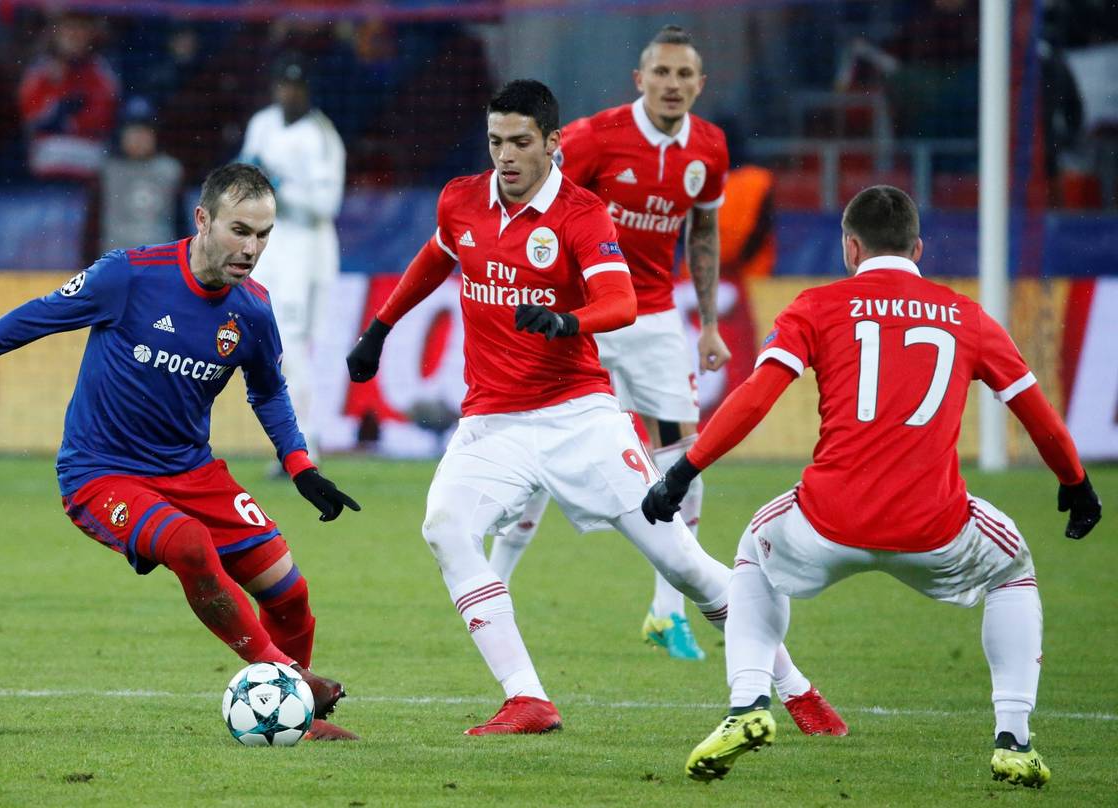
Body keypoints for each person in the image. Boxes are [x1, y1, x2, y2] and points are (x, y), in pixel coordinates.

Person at [345, 79, 844, 736]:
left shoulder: (581, 214)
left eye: (521, 141)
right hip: (492, 422)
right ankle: (527, 699)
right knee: (444, 526)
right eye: (496, 141)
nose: (506, 156)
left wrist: (566, 321)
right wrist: (380, 328)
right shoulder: (461, 199)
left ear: (553, 142)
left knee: (683, 564)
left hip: (578, 418)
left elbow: (621, 301)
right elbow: (437, 255)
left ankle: (798, 689)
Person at [0, 164, 363, 741]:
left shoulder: (252, 309)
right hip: (101, 474)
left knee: (289, 592)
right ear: (203, 220)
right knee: (189, 544)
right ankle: (291, 680)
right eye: (239, 231)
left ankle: (296, 718)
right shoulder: (129, 275)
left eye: (262, 235)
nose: (251, 249)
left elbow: (269, 390)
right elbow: (36, 317)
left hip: (191, 470)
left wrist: (300, 466)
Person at [642, 185, 1102, 786]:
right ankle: (1013, 739)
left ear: (850, 248)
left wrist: (683, 471)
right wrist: (1075, 481)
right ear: (917, 248)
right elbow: (1036, 412)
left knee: (754, 550)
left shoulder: (816, 306)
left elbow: (755, 398)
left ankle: (748, 704)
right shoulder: (966, 315)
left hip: (827, 521)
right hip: (934, 527)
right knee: (1013, 567)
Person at [487, 25, 731, 663]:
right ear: (640, 79)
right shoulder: (595, 138)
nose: (672, 85)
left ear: (700, 85)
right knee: (543, 442)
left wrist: (708, 322)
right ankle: (493, 587)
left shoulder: (709, 148)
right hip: (582, 314)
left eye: (684, 75)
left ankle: (667, 611)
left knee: (684, 458)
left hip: (654, 318)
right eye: (662, 73)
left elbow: (703, 232)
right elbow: (537, 201)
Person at [238, 54, 345, 464]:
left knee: (295, 345)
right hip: (273, 246)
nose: (290, 93)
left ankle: (304, 443)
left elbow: (327, 203)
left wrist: (278, 187)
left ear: (308, 91)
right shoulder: (263, 124)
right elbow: (244, 172)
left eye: (297, 87)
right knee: (281, 345)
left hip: (308, 248)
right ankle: (297, 445)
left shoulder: (321, 135)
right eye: (284, 85)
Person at [18, 11, 119, 180]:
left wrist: (68, 120)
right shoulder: (41, 69)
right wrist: (56, 87)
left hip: (87, 150)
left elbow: (103, 116)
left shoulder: (100, 69)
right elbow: (32, 115)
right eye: (68, 28)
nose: (74, 35)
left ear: (91, 34)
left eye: (80, 29)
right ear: (56, 33)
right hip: (48, 151)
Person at [100, 96, 182, 251]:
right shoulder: (107, 171)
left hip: (160, 258)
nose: (139, 138)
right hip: (115, 258)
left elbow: (180, 222)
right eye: (133, 131)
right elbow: (93, 226)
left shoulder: (169, 170)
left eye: (145, 131)